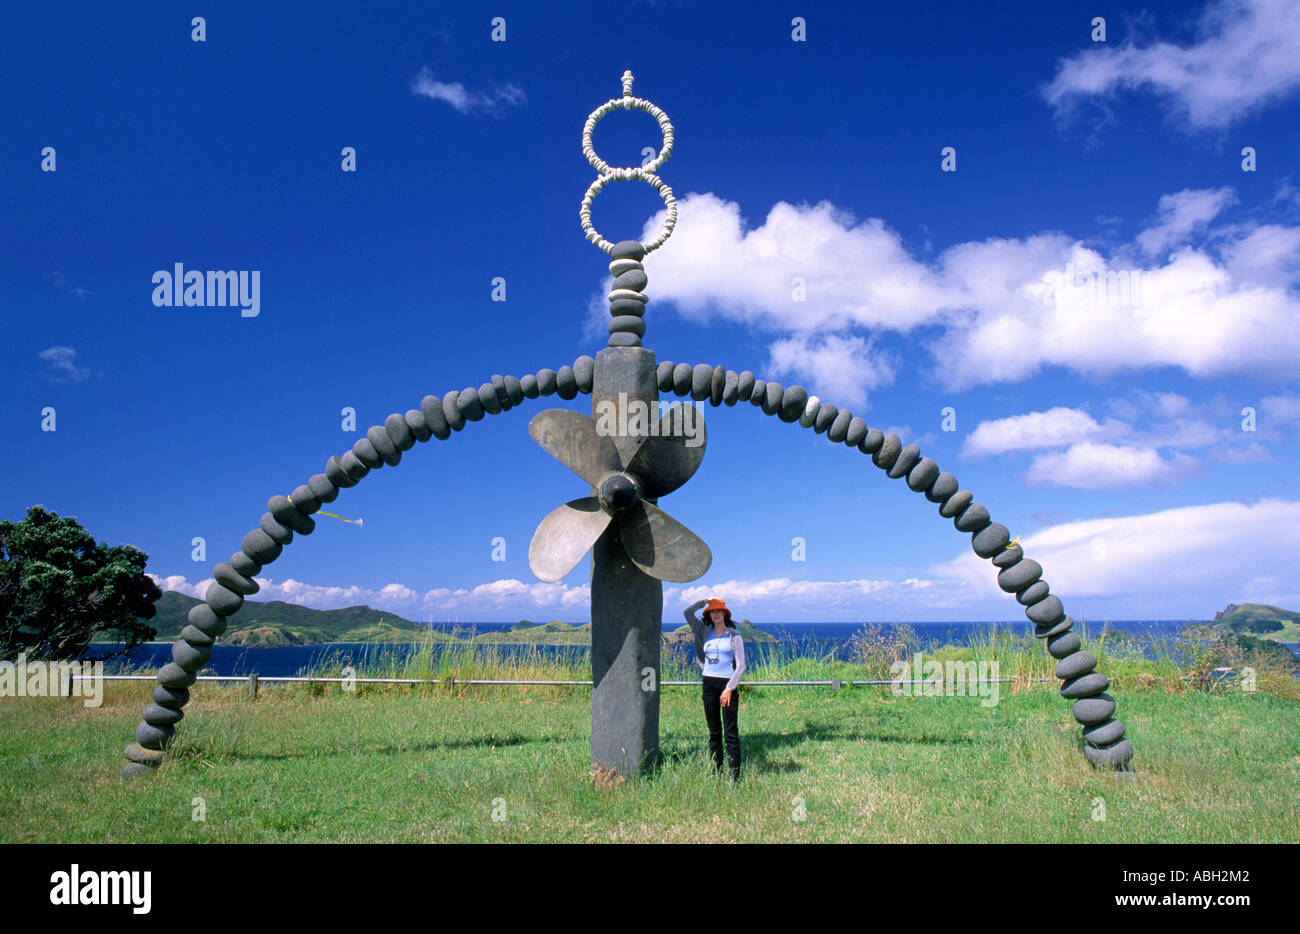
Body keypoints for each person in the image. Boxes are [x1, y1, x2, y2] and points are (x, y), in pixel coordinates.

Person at [683, 597, 746, 781]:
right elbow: (687, 613)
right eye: (713, 611)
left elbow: (741, 666)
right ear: (709, 615)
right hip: (709, 685)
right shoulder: (704, 632)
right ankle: (717, 772)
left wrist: (729, 689)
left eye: (719, 611)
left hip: (727, 686)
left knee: (730, 732)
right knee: (714, 732)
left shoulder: (734, 635)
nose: (716, 614)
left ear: (725, 614)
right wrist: (704, 601)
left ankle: (734, 776)